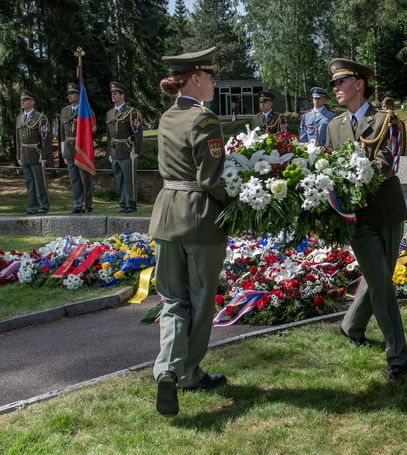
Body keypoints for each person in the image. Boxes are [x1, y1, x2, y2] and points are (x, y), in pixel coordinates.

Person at [150, 47, 229, 416]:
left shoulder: (166, 116)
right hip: (199, 217)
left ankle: (166, 367)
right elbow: (211, 178)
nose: (214, 81)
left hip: (166, 216)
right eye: (211, 75)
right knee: (200, 301)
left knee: (171, 299)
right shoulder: (205, 120)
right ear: (195, 78)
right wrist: (239, 201)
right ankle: (189, 372)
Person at [325, 58, 407, 381]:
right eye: (333, 84)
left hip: (385, 211)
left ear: (358, 84)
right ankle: (397, 355)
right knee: (380, 283)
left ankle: (351, 326)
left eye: (340, 83)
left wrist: (354, 177)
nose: (335, 89)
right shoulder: (334, 126)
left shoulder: (386, 120)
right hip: (355, 218)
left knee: (379, 278)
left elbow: (386, 162)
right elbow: (326, 166)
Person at [105, 81, 143, 213]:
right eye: (112, 94)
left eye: (115, 93)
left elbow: (137, 133)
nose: (113, 96)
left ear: (122, 95)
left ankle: (131, 204)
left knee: (128, 179)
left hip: (127, 151)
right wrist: (109, 152)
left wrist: (135, 150)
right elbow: (109, 135)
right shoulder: (110, 113)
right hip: (115, 151)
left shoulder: (131, 112)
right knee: (119, 179)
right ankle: (122, 203)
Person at [59, 82, 94, 213]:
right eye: (68, 94)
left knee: (85, 178)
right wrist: (63, 148)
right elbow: (62, 132)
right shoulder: (65, 111)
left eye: (73, 93)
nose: (70, 96)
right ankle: (78, 203)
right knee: (74, 179)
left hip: (82, 148)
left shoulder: (86, 110)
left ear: (80, 95)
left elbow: (90, 131)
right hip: (69, 148)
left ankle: (87, 203)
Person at [15, 90, 51, 214]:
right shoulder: (20, 118)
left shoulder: (40, 118)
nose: (22, 102)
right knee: (29, 183)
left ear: (32, 102)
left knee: (39, 182)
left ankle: (43, 206)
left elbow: (45, 139)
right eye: (21, 100)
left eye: (25, 100)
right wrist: (18, 156)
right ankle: (32, 206)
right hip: (24, 154)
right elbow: (18, 139)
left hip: (36, 154)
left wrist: (45, 156)